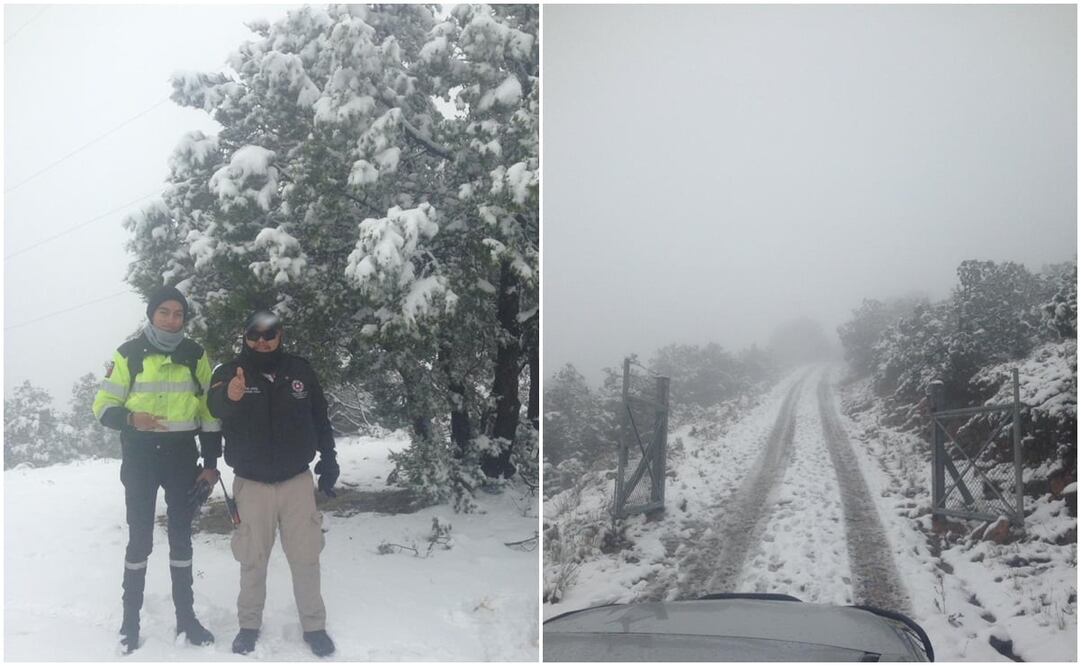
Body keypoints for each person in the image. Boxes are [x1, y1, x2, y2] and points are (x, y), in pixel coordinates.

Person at [92, 285, 222, 653]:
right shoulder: (128, 354)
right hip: (140, 459)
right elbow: (102, 405)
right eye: (164, 311)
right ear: (151, 314)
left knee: (182, 538)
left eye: (178, 313)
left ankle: (187, 618)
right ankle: (129, 623)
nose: (171, 319)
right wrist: (132, 418)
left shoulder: (195, 355)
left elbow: (210, 412)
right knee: (140, 540)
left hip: (182, 459)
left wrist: (211, 465)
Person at [207, 310, 339, 657]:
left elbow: (320, 417)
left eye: (269, 335)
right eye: (254, 335)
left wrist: (329, 459)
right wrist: (231, 396)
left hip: (296, 481)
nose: (261, 342)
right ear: (245, 336)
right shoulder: (229, 372)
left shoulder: (300, 370)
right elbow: (215, 405)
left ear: (280, 335)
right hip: (251, 485)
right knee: (253, 558)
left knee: (306, 556)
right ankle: (248, 625)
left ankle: (314, 626)